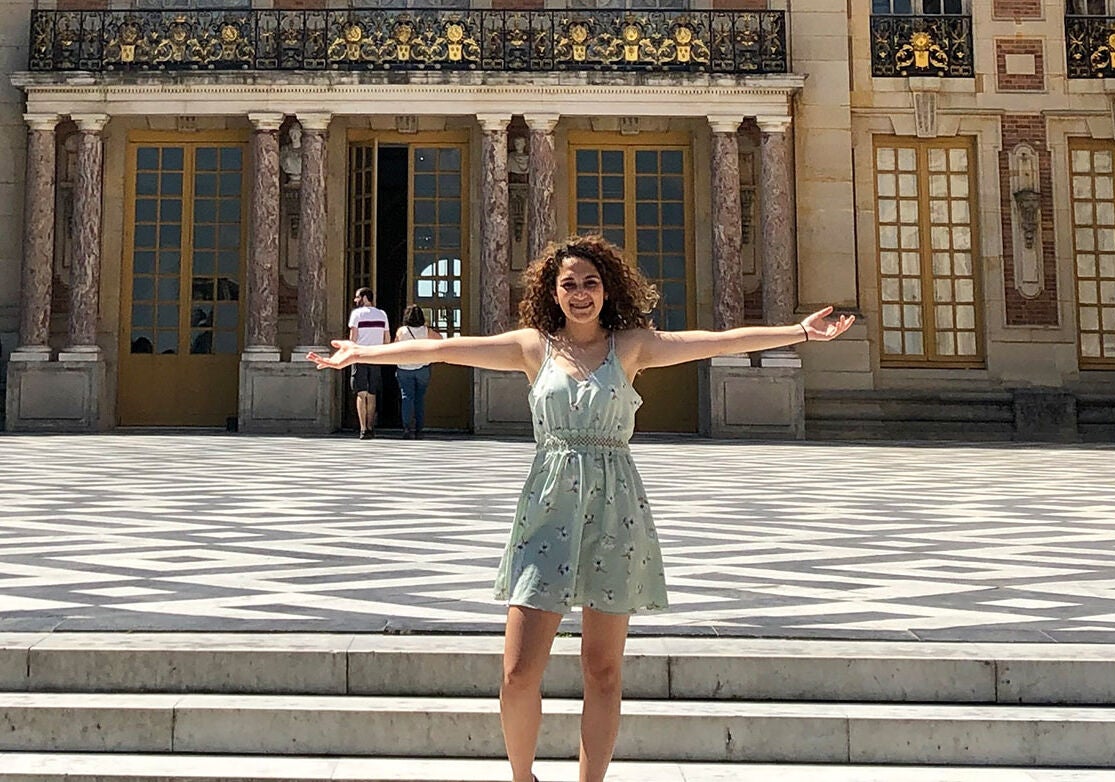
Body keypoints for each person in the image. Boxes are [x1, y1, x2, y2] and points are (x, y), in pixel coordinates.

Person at [308, 236, 854, 782]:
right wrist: (365, 353)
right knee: (518, 672)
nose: (580, 293)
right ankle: (524, 778)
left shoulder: (632, 347)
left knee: (603, 669)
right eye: (568, 283)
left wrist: (801, 332)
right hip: (547, 509)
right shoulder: (532, 348)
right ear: (552, 291)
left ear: (607, 288)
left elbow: (715, 341)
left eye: (590, 282)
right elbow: (442, 348)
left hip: (616, 511)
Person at [346, 287, 391, 440]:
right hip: (376, 357)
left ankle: (363, 428)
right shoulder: (382, 314)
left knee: (361, 393)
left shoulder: (356, 314)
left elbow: (353, 338)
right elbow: (387, 339)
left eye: (357, 297)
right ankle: (371, 427)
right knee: (372, 394)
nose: (355, 300)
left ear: (365, 297)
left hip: (360, 356)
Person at [394, 304, 443, 439]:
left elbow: (394, 346)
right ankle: (419, 429)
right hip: (422, 367)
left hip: (404, 368)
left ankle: (407, 428)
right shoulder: (426, 331)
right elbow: (441, 340)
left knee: (407, 398)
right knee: (419, 398)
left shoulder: (402, 331)